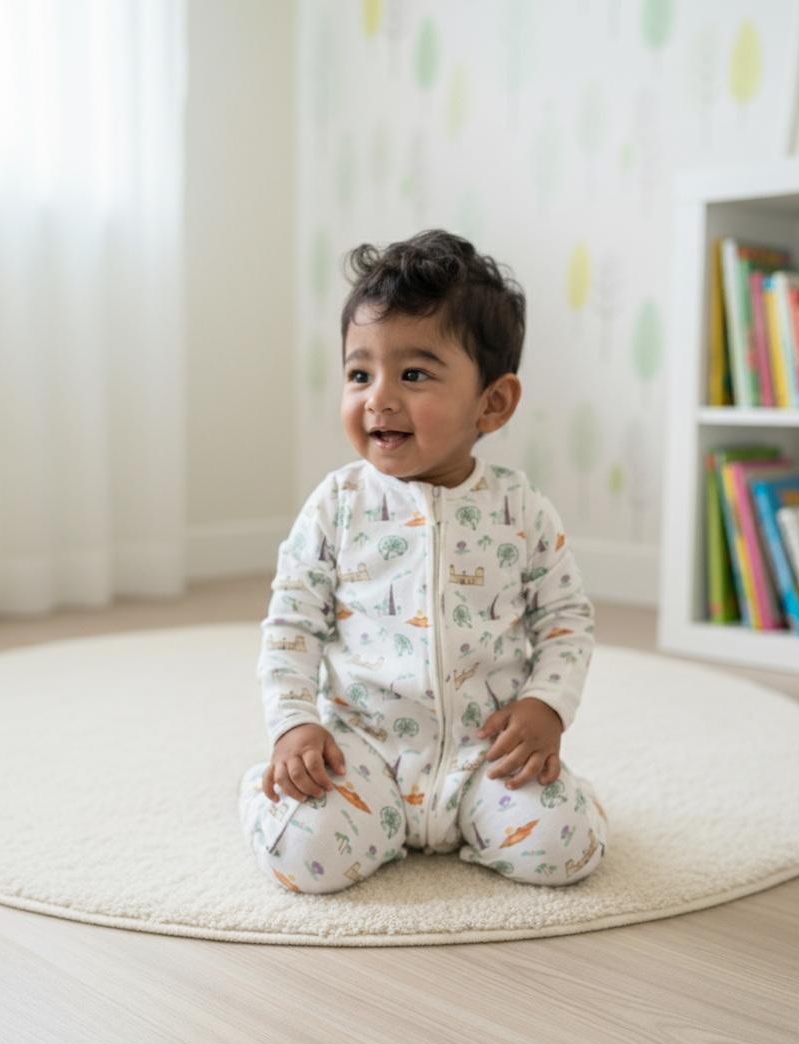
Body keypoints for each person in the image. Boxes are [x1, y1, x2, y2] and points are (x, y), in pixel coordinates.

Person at [238, 229, 609, 894]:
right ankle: (265, 798)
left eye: (413, 374)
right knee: (303, 852)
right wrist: (295, 724)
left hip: (486, 755)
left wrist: (545, 706)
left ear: (492, 403)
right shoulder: (337, 506)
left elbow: (565, 621)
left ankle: (485, 820)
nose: (378, 397)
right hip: (360, 751)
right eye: (360, 374)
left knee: (567, 851)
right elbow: (291, 627)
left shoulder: (520, 510)